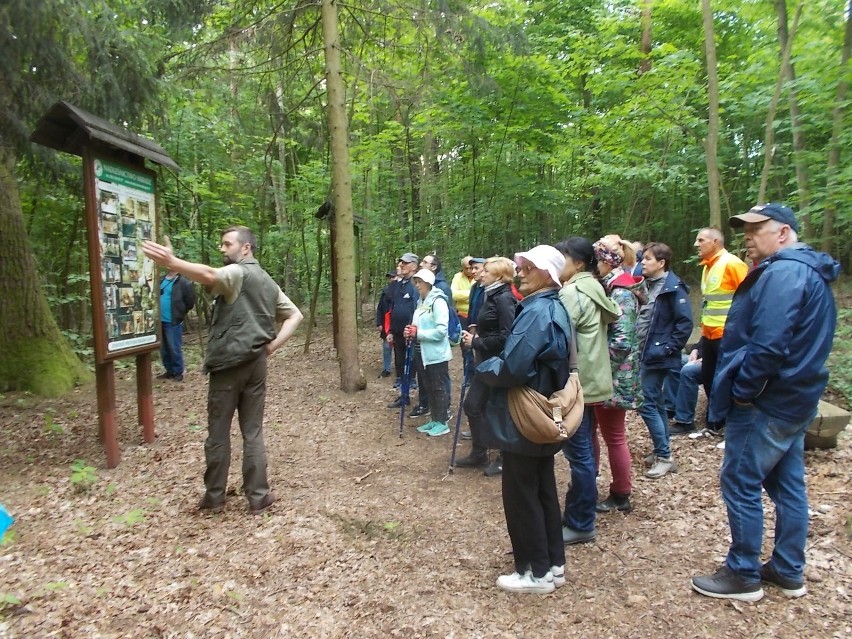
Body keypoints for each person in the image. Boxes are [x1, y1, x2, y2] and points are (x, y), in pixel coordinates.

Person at [691, 203, 838, 602]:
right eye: (745, 231)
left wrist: (743, 391)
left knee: (740, 480)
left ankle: (743, 574)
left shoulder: (784, 274)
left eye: (757, 230)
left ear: (784, 233)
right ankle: (789, 570)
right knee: (787, 483)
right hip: (797, 397)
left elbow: (769, 345)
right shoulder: (808, 271)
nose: (748, 238)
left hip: (769, 401)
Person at [141, 226, 303, 515]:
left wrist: (173, 263)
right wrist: (271, 347)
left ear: (246, 248)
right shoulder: (267, 281)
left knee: (218, 432)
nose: (222, 249)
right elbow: (295, 315)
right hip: (256, 365)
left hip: (229, 367)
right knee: (252, 432)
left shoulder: (238, 274)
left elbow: (210, 275)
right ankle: (259, 497)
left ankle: (215, 496)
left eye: (227, 244)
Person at [477, 245, 571, 594]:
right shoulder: (554, 308)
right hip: (542, 413)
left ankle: (534, 572)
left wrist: (485, 367)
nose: (521, 272)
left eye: (528, 267)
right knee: (542, 488)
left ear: (547, 274)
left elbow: (513, 367)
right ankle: (553, 565)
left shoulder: (536, 313)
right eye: (521, 266)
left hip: (525, 416)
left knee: (521, 494)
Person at [555, 237, 620, 543]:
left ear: (578, 263)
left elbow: (558, 338)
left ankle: (581, 522)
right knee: (585, 453)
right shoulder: (595, 287)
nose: (558, 264)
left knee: (580, 456)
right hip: (593, 382)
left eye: (562, 258)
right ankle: (579, 514)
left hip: (578, 383)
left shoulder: (573, 292)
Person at [592, 235, 644, 514]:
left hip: (613, 377)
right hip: (612, 375)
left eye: (597, 260)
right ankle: (601, 484)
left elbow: (622, 342)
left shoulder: (620, 291)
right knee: (605, 433)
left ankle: (621, 493)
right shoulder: (613, 287)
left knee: (613, 435)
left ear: (605, 261)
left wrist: (595, 361)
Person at [636, 242, 693, 479]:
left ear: (661, 263)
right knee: (656, 402)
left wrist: (666, 349)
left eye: (648, 259)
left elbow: (685, 324)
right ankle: (662, 450)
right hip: (645, 352)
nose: (642, 263)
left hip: (657, 355)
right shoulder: (647, 286)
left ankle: (665, 456)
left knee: (645, 402)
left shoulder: (673, 289)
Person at [456, 257, 518, 474]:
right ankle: (480, 452)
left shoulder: (504, 299)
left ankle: (504, 456)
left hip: (498, 364)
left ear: (499, 276)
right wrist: (476, 331)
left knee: (498, 409)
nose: (480, 274)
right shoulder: (490, 295)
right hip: (485, 362)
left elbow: (508, 336)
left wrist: (477, 342)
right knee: (473, 405)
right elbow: (492, 327)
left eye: (486, 271)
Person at [684, 227, 748, 436]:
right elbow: (709, 306)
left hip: (728, 336)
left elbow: (749, 299)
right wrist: (700, 343)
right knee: (710, 379)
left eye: (700, 240)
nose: (696, 244)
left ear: (715, 242)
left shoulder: (733, 264)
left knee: (726, 381)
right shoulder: (707, 267)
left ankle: (732, 427)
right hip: (709, 336)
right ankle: (715, 425)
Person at [406, 269, 453, 437]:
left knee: (438, 387)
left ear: (428, 282)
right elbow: (418, 324)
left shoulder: (438, 301)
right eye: (415, 282)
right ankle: (434, 419)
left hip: (436, 354)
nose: (417, 285)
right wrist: (410, 331)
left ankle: (442, 422)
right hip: (421, 352)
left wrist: (418, 334)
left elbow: (442, 331)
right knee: (428, 386)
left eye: (419, 282)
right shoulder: (422, 301)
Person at [387, 253, 420, 408]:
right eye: (401, 263)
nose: (402, 266)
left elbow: (416, 308)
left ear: (414, 265)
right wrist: (391, 331)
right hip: (398, 332)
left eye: (405, 263)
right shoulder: (400, 284)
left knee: (410, 365)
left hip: (409, 333)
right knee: (399, 364)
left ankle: (413, 395)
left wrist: (412, 329)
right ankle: (403, 395)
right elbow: (393, 307)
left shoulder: (416, 285)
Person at [158, 268, 196, 382]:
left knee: (174, 347)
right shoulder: (160, 280)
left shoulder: (184, 282)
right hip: (159, 321)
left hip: (173, 320)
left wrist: (180, 312)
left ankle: (178, 372)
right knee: (163, 348)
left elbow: (190, 301)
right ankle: (169, 370)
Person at [664, 353, 703, 433]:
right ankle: (670, 408)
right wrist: (695, 350)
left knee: (688, 372)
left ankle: (685, 421)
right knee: (674, 362)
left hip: (719, 360)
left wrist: (706, 360)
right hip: (705, 355)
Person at [375, 270, 397, 378]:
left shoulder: (401, 291)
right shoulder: (385, 291)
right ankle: (387, 368)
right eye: (390, 278)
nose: (391, 280)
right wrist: (379, 322)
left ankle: (400, 368)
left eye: (393, 277)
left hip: (397, 323)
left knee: (398, 347)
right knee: (386, 347)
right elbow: (380, 308)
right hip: (386, 323)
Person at [451, 256, 477, 329]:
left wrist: (462, 295)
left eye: (470, 268)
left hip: (475, 315)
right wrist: (472, 294)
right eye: (466, 268)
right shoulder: (457, 277)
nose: (469, 271)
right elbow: (454, 295)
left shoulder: (478, 276)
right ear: (462, 267)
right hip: (461, 314)